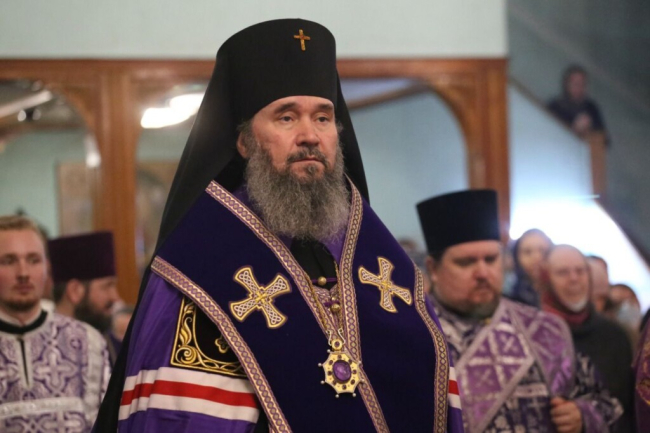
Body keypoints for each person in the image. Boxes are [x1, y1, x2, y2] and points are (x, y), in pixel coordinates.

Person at [94, 19, 463, 433]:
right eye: (286, 118)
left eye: (322, 118)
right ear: (244, 142)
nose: (310, 136)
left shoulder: (377, 260)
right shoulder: (197, 270)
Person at [417, 190, 622, 433]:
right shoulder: (416, 334)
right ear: (433, 269)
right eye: (466, 262)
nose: (483, 273)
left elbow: (608, 406)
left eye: (491, 259)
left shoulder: (545, 329)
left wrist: (581, 415)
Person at [0, 215, 110, 432]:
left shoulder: (87, 342)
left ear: (47, 269)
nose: (23, 273)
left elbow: (106, 424)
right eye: (8, 261)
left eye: (33, 260)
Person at [542, 244, 633, 432]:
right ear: (545, 279)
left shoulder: (614, 335)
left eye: (580, 271)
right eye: (563, 272)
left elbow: (627, 406)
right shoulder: (531, 334)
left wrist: (586, 416)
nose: (574, 279)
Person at [49, 231, 120, 336]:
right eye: (106, 286)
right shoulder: (45, 344)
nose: (115, 297)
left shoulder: (107, 341)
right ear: (74, 291)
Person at [548, 65, 607, 139]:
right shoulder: (555, 106)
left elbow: (604, 140)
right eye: (576, 84)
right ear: (566, 84)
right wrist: (574, 129)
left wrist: (588, 130)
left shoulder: (591, 109)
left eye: (583, 84)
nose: (579, 88)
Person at [506, 228, 553, 307]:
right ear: (516, 258)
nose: (536, 258)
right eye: (527, 252)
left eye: (543, 251)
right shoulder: (508, 296)